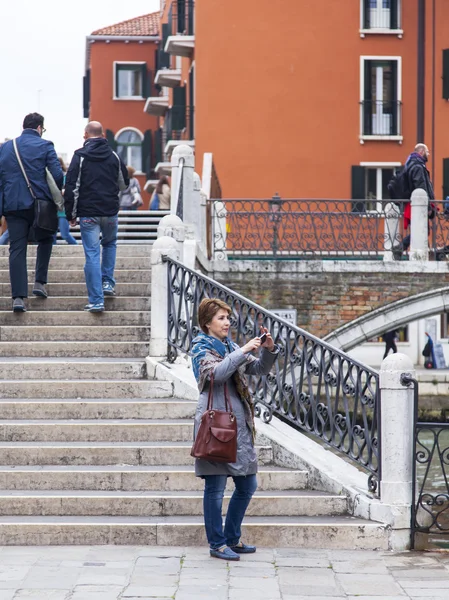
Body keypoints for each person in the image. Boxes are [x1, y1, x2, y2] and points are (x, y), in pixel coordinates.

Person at [191, 298, 279, 561]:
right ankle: (217, 544)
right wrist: (241, 351)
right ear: (207, 323)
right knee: (215, 489)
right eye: (221, 318)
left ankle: (231, 538)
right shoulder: (200, 348)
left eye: (228, 318)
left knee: (247, 484)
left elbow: (259, 368)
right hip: (215, 426)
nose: (227, 322)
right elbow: (215, 375)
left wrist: (269, 349)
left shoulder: (230, 346)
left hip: (238, 427)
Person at [0, 113, 63, 312]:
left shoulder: (6, 147)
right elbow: (58, 175)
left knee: (17, 249)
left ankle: (18, 298)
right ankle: (39, 283)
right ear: (39, 128)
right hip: (40, 203)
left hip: (13, 204)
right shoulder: (45, 145)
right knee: (45, 238)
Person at [64, 121, 128, 313]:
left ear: (85, 135)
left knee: (92, 254)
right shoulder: (114, 156)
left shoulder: (80, 156)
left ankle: (96, 301)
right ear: (103, 136)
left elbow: (72, 187)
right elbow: (124, 183)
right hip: (109, 212)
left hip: (88, 214)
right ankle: (108, 283)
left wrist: (71, 214)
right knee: (109, 244)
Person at [396, 143, 435, 257]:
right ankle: (401, 248)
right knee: (422, 229)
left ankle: (405, 249)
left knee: (420, 229)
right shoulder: (418, 166)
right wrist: (427, 206)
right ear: (421, 152)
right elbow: (421, 187)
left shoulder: (411, 164)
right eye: (427, 152)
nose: (428, 154)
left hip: (413, 204)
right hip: (419, 204)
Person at [54, 157, 77, 245]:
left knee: (65, 234)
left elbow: (70, 190)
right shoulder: (50, 176)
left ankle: (77, 247)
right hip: (53, 210)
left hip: (63, 210)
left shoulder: (66, 177)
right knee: (52, 235)